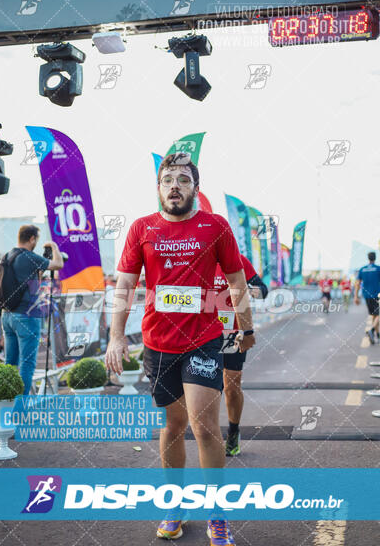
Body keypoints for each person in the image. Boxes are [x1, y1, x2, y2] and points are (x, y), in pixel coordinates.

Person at [106, 153, 255, 546]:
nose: (175, 185)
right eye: (167, 179)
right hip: (158, 343)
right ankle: (175, 504)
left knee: (205, 426)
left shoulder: (216, 227)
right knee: (173, 426)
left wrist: (247, 328)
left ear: (195, 188)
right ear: (158, 189)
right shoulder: (141, 228)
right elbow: (124, 286)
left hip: (204, 340)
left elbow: (237, 282)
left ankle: (217, 513)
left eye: (183, 180)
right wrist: (116, 336)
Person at [214, 254, 267, 456]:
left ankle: (233, 430)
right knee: (205, 388)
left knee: (231, 387)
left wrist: (250, 291)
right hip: (204, 333)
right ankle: (209, 435)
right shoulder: (197, 257)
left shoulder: (238, 260)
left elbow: (263, 290)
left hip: (231, 334)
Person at [2, 225, 63, 395]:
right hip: (27, 315)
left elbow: (34, 277)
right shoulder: (30, 257)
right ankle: (20, 410)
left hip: (7, 315)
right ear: (32, 239)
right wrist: (54, 246)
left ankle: (7, 402)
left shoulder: (8, 256)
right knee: (27, 364)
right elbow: (58, 264)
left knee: (10, 363)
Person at [355, 252, 380, 344]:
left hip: (366, 296)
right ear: (375, 258)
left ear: (368, 258)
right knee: (378, 315)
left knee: (374, 315)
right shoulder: (378, 269)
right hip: (376, 295)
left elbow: (357, 283)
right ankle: (372, 330)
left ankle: (377, 335)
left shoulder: (362, 269)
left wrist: (356, 296)